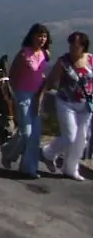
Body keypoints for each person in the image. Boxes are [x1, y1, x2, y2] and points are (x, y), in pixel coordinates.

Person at [40, 31, 92, 181]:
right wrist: (41, 95)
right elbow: (51, 80)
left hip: (85, 104)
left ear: (83, 46)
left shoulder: (91, 60)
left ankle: (71, 168)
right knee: (70, 136)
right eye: (71, 45)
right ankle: (48, 153)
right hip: (66, 102)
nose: (72, 49)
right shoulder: (63, 62)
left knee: (81, 139)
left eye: (75, 46)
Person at [2, 23, 51, 178]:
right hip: (22, 95)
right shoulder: (24, 54)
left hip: (37, 96)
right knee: (26, 132)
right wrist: (14, 95)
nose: (42, 39)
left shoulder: (45, 54)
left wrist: (41, 92)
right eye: (39, 35)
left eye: (44, 36)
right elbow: (12, 75)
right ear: (32, 36)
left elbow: (42, 74)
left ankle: (28, 168)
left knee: (34, 134)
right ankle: (8, 153)